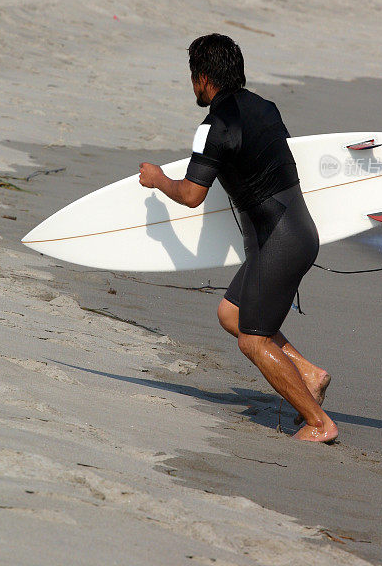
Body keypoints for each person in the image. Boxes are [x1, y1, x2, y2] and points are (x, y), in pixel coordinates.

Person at [138, 34, 337, 444]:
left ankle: (320, 423)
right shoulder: (266, 108)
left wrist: (158, 180)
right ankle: (310, 374)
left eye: (193, 76)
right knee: (231, 314)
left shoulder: (213, 127)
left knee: (253, 339)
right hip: (290, 233)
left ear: (203, 78)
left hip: (280, 240)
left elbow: (192, 196)